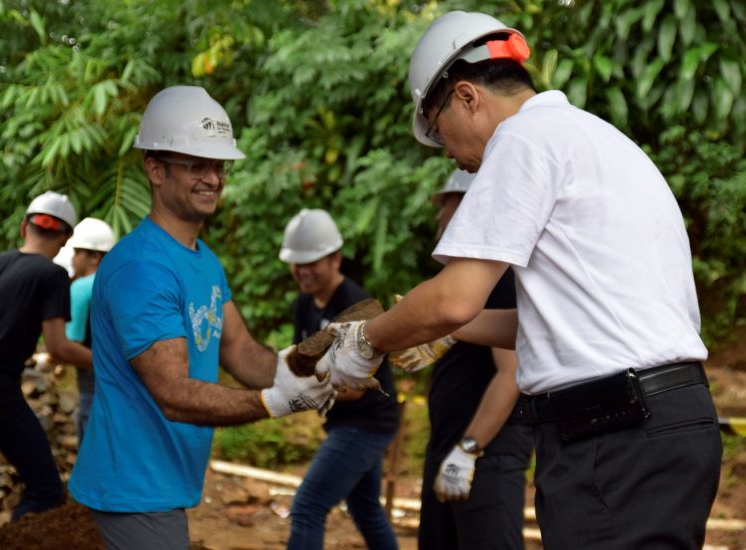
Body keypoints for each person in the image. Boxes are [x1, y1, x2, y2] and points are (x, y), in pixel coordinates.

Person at [316, 11, 721, 550]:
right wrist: (447, 330)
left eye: (440, 133)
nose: (454, 156)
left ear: (466, 96)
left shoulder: (523, 140)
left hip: (615, 433)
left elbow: (454, 298)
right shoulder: (594, 138)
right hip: (658, 425)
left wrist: (365, 343)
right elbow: (554, 321)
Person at [67, 85, 335, 550]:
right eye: (196, 165)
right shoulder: (142, 267)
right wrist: (277, 402)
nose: (213, 178)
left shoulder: (202, 259)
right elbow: (173, 394)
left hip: (163, 484)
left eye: (218, 165)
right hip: (134, 487)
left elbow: (239, 350)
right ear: (155, 169)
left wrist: (314, 371)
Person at [390, 169, 532, 549]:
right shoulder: (464, 285)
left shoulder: (499, 277)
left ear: (474, 207)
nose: (439, 215)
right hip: (450, 446)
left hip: (485, 452)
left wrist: (468, 449)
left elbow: (511, 375)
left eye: (448, 204)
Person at [0, 191, 93, 522]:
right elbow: (57, 347)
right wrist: (110, 364)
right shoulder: (52, 276)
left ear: (24, 226)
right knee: (45, 489)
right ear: (65, 239)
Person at [278, 208, 400, 550]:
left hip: (366, 422)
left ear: (336, 259)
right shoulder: (304, 304)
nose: (302, 272)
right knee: (365, 509)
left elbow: (352, 389)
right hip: (343, 421)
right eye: (296, 263)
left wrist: (291, 392)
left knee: (306, 507)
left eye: (311, 262)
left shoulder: (357, 307)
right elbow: (300, 362)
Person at [63, 217, 116, 444]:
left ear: (95, 256)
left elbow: (69, 345)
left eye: (77, 253)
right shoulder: (122, 283)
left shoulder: (82, 288)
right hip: (126, 392)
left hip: (93, 390)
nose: (73, 260)